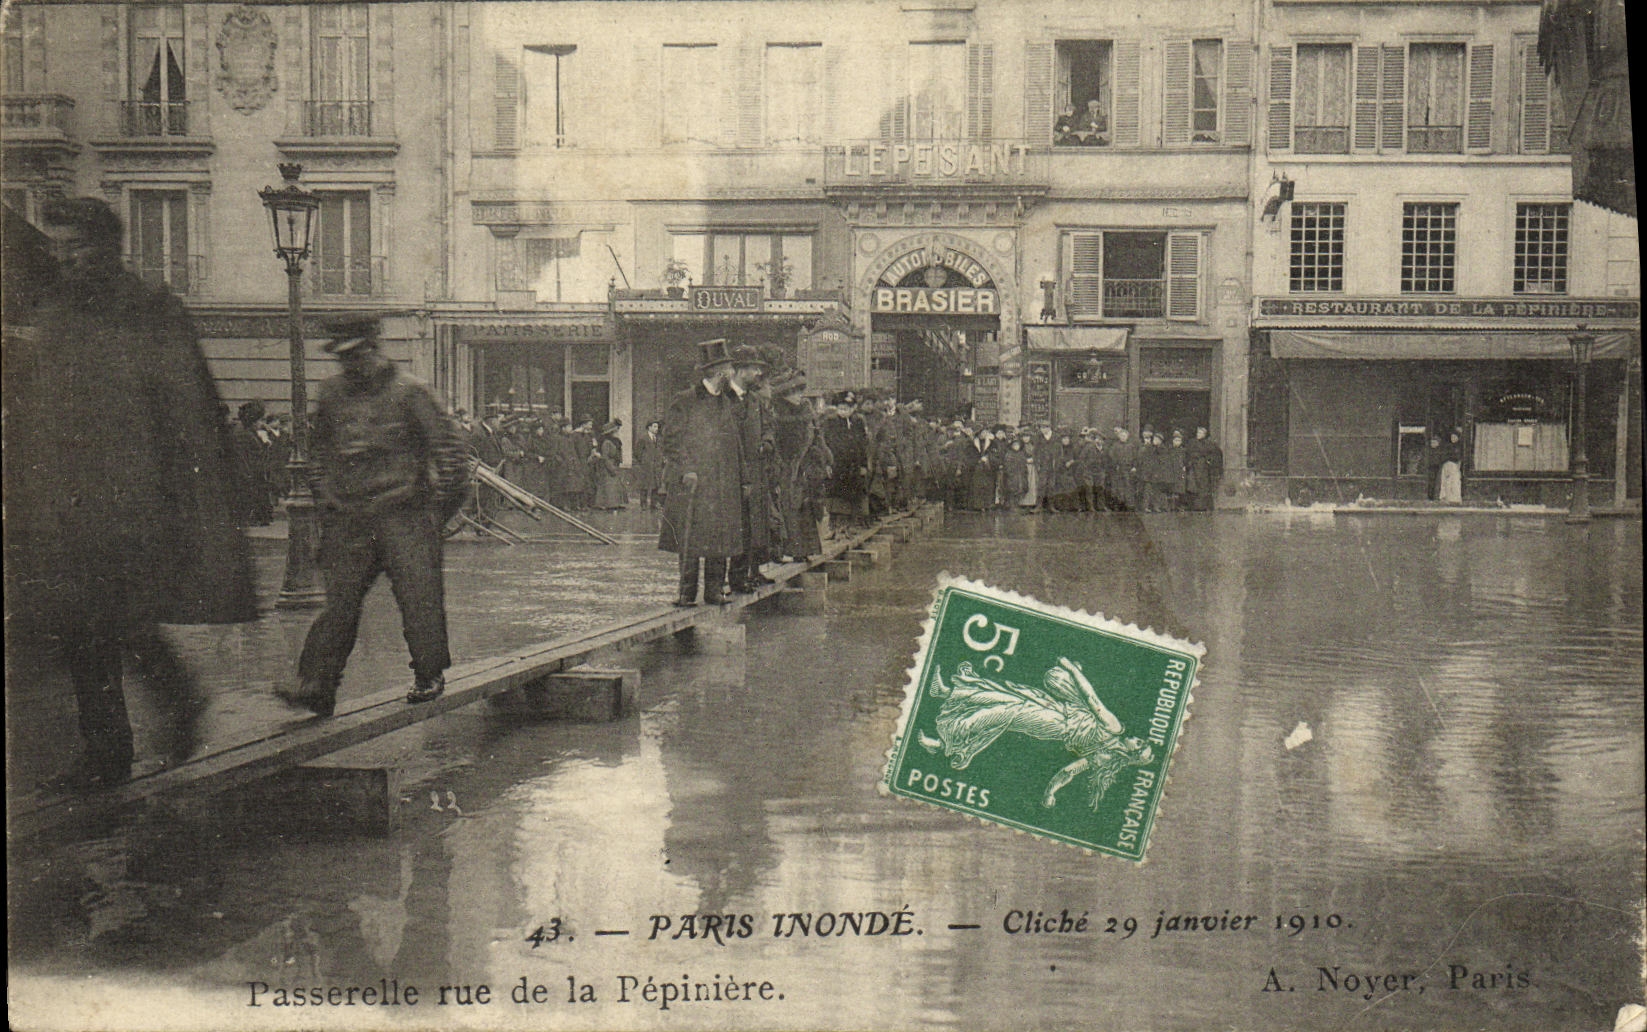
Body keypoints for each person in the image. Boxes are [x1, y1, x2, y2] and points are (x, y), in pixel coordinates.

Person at [5, 196, 257, 788]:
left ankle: (170, 709)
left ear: (110, 248)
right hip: (66, 501)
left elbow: (189, 410)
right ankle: (109, 749)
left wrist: (186, 500)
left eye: (80, 247)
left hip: (135, 501)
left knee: (120, 621)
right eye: (60, 247)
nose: (69, 259)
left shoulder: (149, 310)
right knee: (80, 629)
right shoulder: (56, 313)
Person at [284, 316, 470, 715]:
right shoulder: (332, 393)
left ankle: (428, 674)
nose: (349, 365)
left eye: (356, 355)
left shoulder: (412, 393)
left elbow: (453, 457)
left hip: (406, 514)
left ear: (373, 347)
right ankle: (317, 684)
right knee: (339, 605)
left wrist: (435, 515)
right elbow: (317, 455)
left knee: (419, 599)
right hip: (351, 518)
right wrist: (328, 500)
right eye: (342, 357)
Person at [659, 339, 750, 606]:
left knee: (721, 537)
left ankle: (713, 591)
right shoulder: (685, 400)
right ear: (718, 371)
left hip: (724, 482)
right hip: (695, 483)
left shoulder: (728, 402)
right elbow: (672, 441)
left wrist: (744, 479)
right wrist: (687, 469)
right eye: (728, 368)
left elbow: (737, 444)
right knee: (690, 538)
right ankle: (686, 593)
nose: (731, 373)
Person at [1185, 426, 1224, 512]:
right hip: (1194, 468)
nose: (1198, 434)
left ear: (1204, 434)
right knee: (1193, 486)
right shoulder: (1192, 443)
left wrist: (1208, 461)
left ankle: (1203, 506)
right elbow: (1188, 453)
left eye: (1200, 433)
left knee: (1204, 487)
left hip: (1204, 468)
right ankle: (1195, 506)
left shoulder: (1209, 444)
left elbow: (1215, 453)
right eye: (1198, 433)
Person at [591, 418, 627, 510]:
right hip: (608, 467)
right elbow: (605, 457)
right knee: (609, 486)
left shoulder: (616, 441)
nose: (617, 432)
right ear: (611, 432)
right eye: (615, 431)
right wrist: (611, 468)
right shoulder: (607, 443)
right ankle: (608, 504)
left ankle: (616, 503)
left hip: (614, 465)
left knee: (615, 485)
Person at [635, 420, 665, 509]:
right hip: (646, 467)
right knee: (645, 485)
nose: (657, 429)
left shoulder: (658, 439)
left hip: (656, 466)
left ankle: (653, 504)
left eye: (657, 427)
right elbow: (637, 452)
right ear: (649, 427)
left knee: (655, 485)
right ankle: (643, 504)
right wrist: (644, 461)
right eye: (655, 426)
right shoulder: (643, 438)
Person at [1439, 428, 1465, 504]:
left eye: (1454, 437)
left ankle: (1456, 499)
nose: (1453, 439)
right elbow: (1444, 457)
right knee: (1447, 481)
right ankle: (1446, 498)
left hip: (1455, 466)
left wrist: (1459, 465)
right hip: (1447, 465)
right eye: (1452, 437)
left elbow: (1460, 458)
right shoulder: (1448, 446)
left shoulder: (1460, 447)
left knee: (1455, 481)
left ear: (1458, 438)